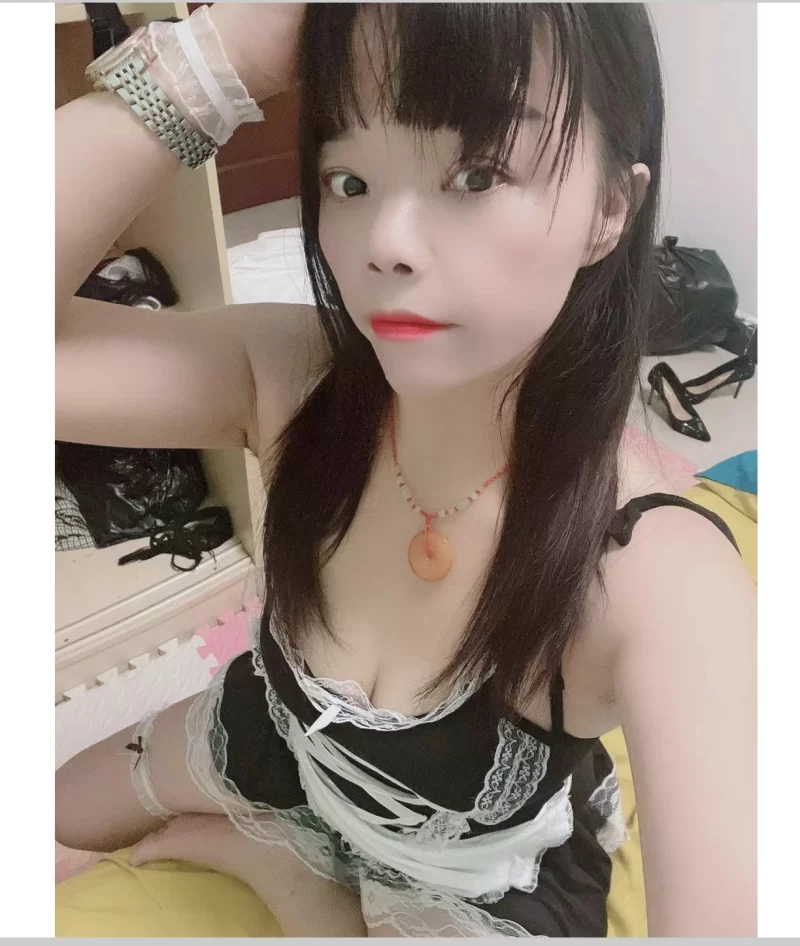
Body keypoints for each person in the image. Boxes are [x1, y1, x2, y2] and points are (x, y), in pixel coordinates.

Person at [55, 3, 756, 938]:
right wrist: (221, 55)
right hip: (286, 735)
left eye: (477, 173)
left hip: (461, 874)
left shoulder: (657, 571)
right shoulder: (294, 377)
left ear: (610, 210)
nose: (384, 240)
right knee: (50, 808)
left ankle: (294, 879)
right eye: (348, 179)